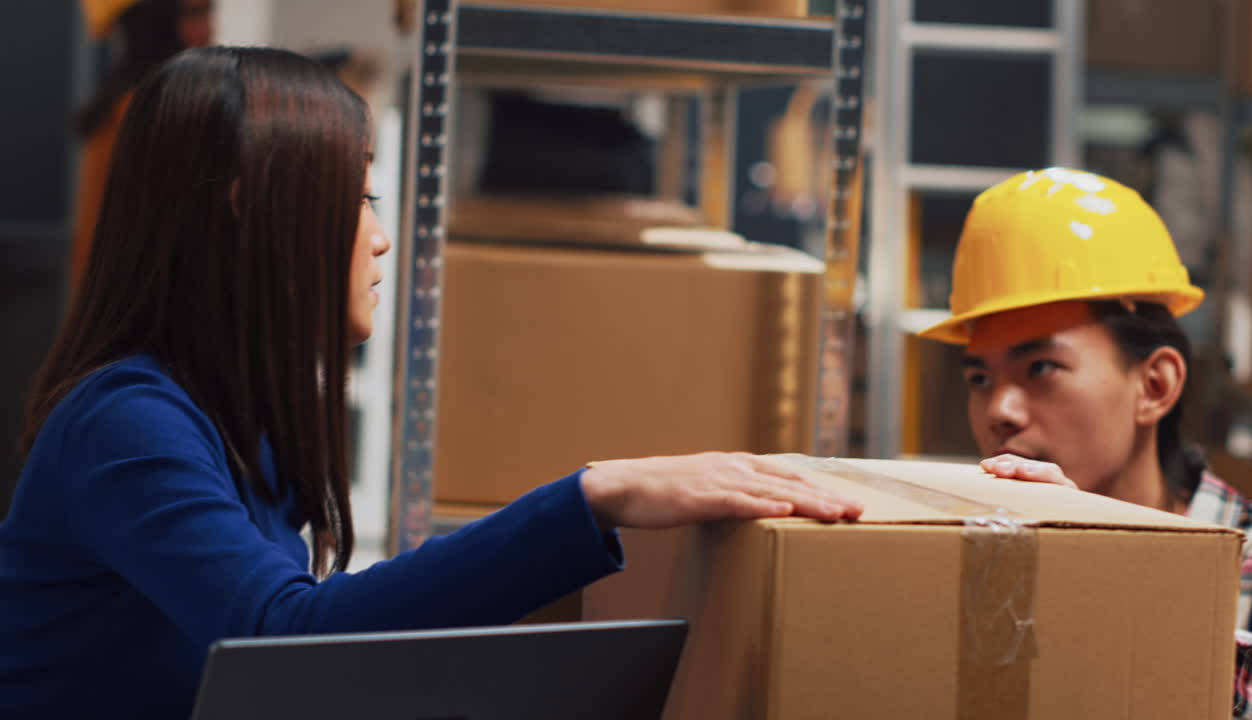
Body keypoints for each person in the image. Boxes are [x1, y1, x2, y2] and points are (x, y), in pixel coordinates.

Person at [0, 46, 864, 718]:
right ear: (245, 207)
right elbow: (286, 638)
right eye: (360, 198)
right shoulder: (125, 426)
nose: (380, 238)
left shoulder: (233, 429)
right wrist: (592, 497)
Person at [918, 166, 1252, 719]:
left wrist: (1096, 578)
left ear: (1154, 386)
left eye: (1042, 367)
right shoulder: (970, 568)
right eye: (980, 379)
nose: (999, 412)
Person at [71, 0, 214, 295]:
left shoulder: (133, 102)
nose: (209, 29)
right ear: (155, 24)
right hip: (141, 296)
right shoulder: (146, 109)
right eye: (194, 14)